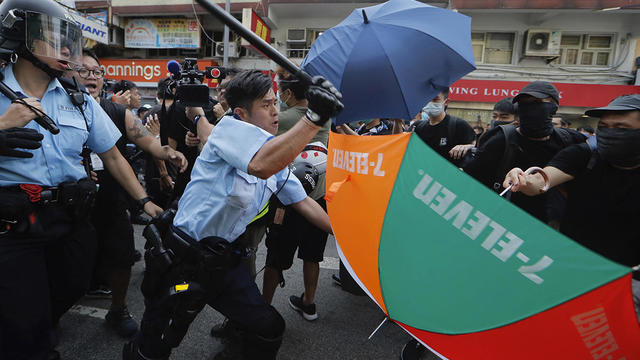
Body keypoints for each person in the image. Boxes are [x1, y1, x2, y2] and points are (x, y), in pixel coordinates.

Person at [123, 70, 342, 360]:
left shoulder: (275, 153)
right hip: (182, 257)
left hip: (221, 261)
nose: (275, 111)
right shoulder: (228, 131)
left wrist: (350, 237)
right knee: (157, 344)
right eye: (266, 105)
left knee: (268, 328)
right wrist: (314, 117)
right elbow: (260, 165)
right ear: (241, 112)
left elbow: (303, 202)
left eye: (275, 102)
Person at [0, 0, 162, 359]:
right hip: (13, 228)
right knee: (26, 328)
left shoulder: (79, 100)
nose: (68, 48)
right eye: (53, 35)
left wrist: (145, 202)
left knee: (72, 286)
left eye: (68, 37)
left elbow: (113, 155)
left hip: (70, 221)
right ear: (20, 35)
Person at [74, 49, 188, 337]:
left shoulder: (116, 112)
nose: (91, 77)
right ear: (69, 74)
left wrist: (167, 152)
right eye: (83, 71)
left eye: (96, 72)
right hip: (70, 203)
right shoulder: (60, 108)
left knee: (123, 255)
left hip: (113, 198)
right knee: (69, 260)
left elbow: (146, 142)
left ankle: (118, 309)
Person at [502, 94, 640, 321]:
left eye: (621, 127)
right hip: (575, 273)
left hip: (629, 284)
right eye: (604, 126)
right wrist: (523, 179)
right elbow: (541, 181)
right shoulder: (584, 156)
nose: (610, 132)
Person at [262, 67, 331, 322]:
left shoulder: (284, 118)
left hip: (289, 200)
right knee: (313, 254)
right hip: (320, 199)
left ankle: (264, 307)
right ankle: (309, 303)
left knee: (275, 258)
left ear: (288, 93)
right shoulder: (326, 118)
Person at [463, 81, 586, 224]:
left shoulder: (571, 140)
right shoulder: (500, 141)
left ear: (554, 107)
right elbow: (471, 184)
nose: (529, 109)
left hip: (554, 229)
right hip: (506, 224)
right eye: (524, 104)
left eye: (536, 102)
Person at [411, 89, 475, 167]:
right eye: (427, 99)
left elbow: (477, 150)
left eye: (435, 99)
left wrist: (468, 147)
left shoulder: (459, 125)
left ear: (446, 102)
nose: (430, 103)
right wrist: (398, 122)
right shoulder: (417, 127)